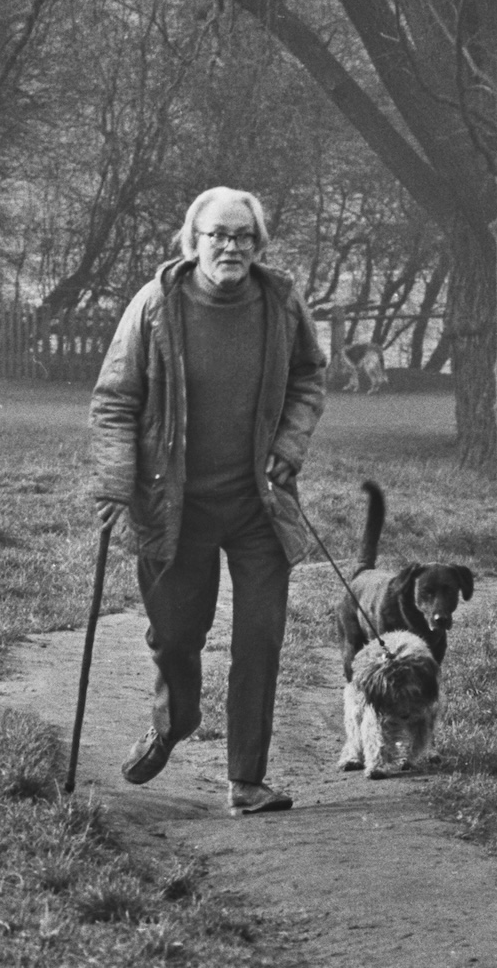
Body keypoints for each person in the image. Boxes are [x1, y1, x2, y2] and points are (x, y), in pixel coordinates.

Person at [90, 186, 328, 815]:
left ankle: (247, 780)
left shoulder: (280, 303)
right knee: (175, 635)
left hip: (259, 502)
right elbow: (115, 399)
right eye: (218, 235)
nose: (231, 246)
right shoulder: (155, 305)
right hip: (174, 507)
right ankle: (175, 719)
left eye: (244, 236)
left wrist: (290, 443)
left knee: (260, 637)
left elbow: (309, 376)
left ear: (259, 244)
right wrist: (116, 482)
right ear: (192, 240)